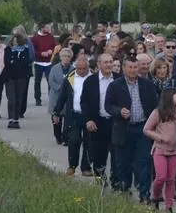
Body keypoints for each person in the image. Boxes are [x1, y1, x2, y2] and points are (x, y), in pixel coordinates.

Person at [105, 57, 159, 202]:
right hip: (124, 129)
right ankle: (125, 190)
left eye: (135, 67)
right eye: (130, 67)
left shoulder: (147, 84)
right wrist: (119, 111)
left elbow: (155, 105)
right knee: (123, 163)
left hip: (143, 128)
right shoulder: (115, 85)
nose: (133, 70)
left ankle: (144, 194)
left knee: (144, 162)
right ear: (124, 68)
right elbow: (108, 106)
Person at [143, 88, 176, 213]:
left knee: (171, 179)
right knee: (161, 177)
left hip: (174, 150)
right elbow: (147, 129)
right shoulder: (158, 112)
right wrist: (159, 137)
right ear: (169, 97)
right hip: (160, 149)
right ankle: (155, 197)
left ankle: (169, 206)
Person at [53, 54, 93, 176]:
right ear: (75, 68)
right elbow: (62, 97)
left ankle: (86, 167)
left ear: (88, 68)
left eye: (84, 69)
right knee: (73, 140)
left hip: (89, 116)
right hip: (74, 114)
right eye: (79, 69)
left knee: (89, 142)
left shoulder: (93, 78)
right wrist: (57, 112)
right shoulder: (70, 78)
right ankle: (72, 166)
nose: (81, 71)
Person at [81, 53, 115, 181]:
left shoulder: (118, 79)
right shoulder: (91, 81)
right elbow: (84, 102)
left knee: (117, 154)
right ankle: (100, 181)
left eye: (111, 62)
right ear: (99, 64)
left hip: (115, 122)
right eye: (105, 62)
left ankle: (117, 181)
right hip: (98, 122)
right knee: (99, 156)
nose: (109, 65)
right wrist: (88, 120)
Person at [2, 32, 31, 129]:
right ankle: (10, 119)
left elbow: (25, 61)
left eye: (16, 41)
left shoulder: (25, 49)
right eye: (13, 41)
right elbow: (7, 62)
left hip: (21, 77)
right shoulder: (8, 49)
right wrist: (16, 62)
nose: (15, 43)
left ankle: (16, 119)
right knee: (12, 99)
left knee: (19, 98)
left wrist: (15, 61)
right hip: (10, 77)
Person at [47, 47, 74, 143]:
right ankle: (58, 136)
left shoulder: (73, 69)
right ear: (60, 57)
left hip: (67, 97)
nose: (66, 58)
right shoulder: (54, 68)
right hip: (55, 95)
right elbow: (51, 80)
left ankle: (66, 136)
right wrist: (59, 88)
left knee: (67, 118)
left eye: (68, 56)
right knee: (56, 117)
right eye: (64, 56)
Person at [31, 24, 57, 106]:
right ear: (41, 28)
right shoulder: (35, 38)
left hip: (49, 62)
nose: (48, 29)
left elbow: (55, 47)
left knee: (50, 82)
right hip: (38, 62)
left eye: (48, 27)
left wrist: (51, 51)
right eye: (46, 27)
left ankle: (51, 98)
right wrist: (41, 53)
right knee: (37, 82)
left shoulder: (51, 37)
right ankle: (37, 99)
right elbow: (33, 50)